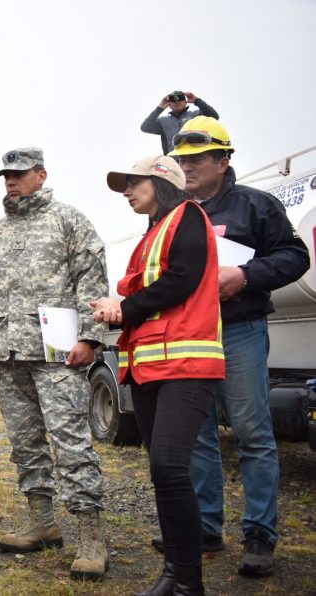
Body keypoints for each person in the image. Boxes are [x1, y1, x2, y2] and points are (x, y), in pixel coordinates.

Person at [163, 116, 309, 578]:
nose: (187, 167)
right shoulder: (174, 212)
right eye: (182, 160)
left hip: (239, 329)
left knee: (252, 433)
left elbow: (295, 256)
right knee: (199, 435)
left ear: (224, 161)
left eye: (197, 159)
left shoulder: (255, 206)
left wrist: (244, 276)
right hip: (190, 334)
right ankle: (206, 528)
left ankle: (260, 535)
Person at [0, 148, 110, 580]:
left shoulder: (68, 219)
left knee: (71, 443)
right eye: (6, 175)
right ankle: (42, 523)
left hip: (58, 355)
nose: (10, 181)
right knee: (25, 444)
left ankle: (90, 537)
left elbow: (93, 277)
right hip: (10, 355)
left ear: (41, 175)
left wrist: (90, 337)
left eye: (19, 174)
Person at [91, 155, 225, 595]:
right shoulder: (151, 233)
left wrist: (123, 307)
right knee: (161, 469)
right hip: (150, 366)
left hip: (185, 365)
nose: (127, 192)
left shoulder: (187, 217)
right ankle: (175, 574)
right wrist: (114, 311)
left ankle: (188, 582)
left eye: (133, 183)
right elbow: (150, 292)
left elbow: (182, 279)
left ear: (161, 181)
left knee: (169, 466)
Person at [141, 90, 219, 155]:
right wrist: (160, 108)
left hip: (194, 158)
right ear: (169, 105)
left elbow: (214, 116)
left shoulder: (196, 115)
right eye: (173, 101)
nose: (177, 102)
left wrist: (197, 100)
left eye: (180, 99)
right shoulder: (162, 121)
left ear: (186, 102)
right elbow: (145, 127)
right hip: (172, 162)